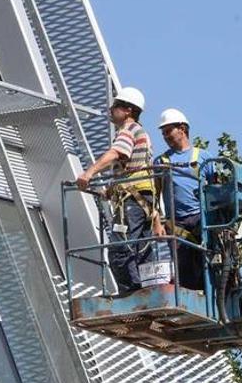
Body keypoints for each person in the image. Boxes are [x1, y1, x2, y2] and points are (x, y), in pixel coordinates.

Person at [76, 87, 157, 294]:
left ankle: (132, 294)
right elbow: (132, 167)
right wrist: (111, 189)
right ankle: (150, 290)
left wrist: (89, 173)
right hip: (144, 198)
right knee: (141, 249)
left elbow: (116, 153)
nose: (111, 110)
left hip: (133, 198)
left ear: (128, 110)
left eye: (115, 106)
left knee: (119, 250)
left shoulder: (128, 130)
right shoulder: (142, 134)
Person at [153, 108, 214, 291]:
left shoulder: (204, 157)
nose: (166, 136)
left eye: (168, 131)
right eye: (163, 133)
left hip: (200, 219)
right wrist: (157, 221)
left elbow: (215, 190)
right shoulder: (161, 161)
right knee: (185, 273)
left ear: (182, 129)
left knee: (209, 266)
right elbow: (154, 195)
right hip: (177, 223)